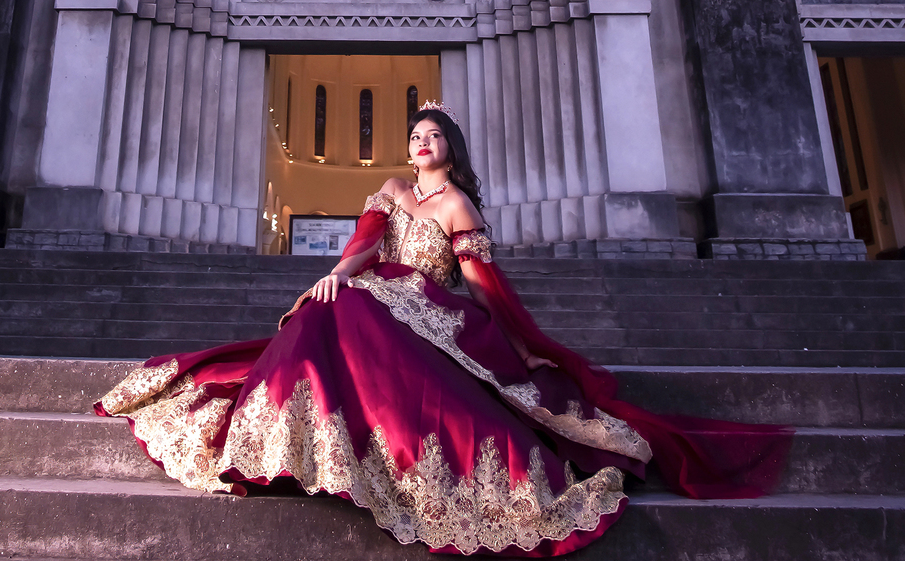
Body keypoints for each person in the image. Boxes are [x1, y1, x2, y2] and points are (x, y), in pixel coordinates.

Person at [96, 103, 790, 557]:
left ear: (449, 149)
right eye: (413, 136)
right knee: (330, 309)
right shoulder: (394, 190)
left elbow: (482, 285)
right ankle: (291, 437)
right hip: (373, 288)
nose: (418, 143)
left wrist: (520, 343)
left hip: (433, 310)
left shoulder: (458, 206)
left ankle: (364, 446)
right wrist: (336, 271)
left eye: (429, 136)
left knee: (360, 315)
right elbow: (366, 243)